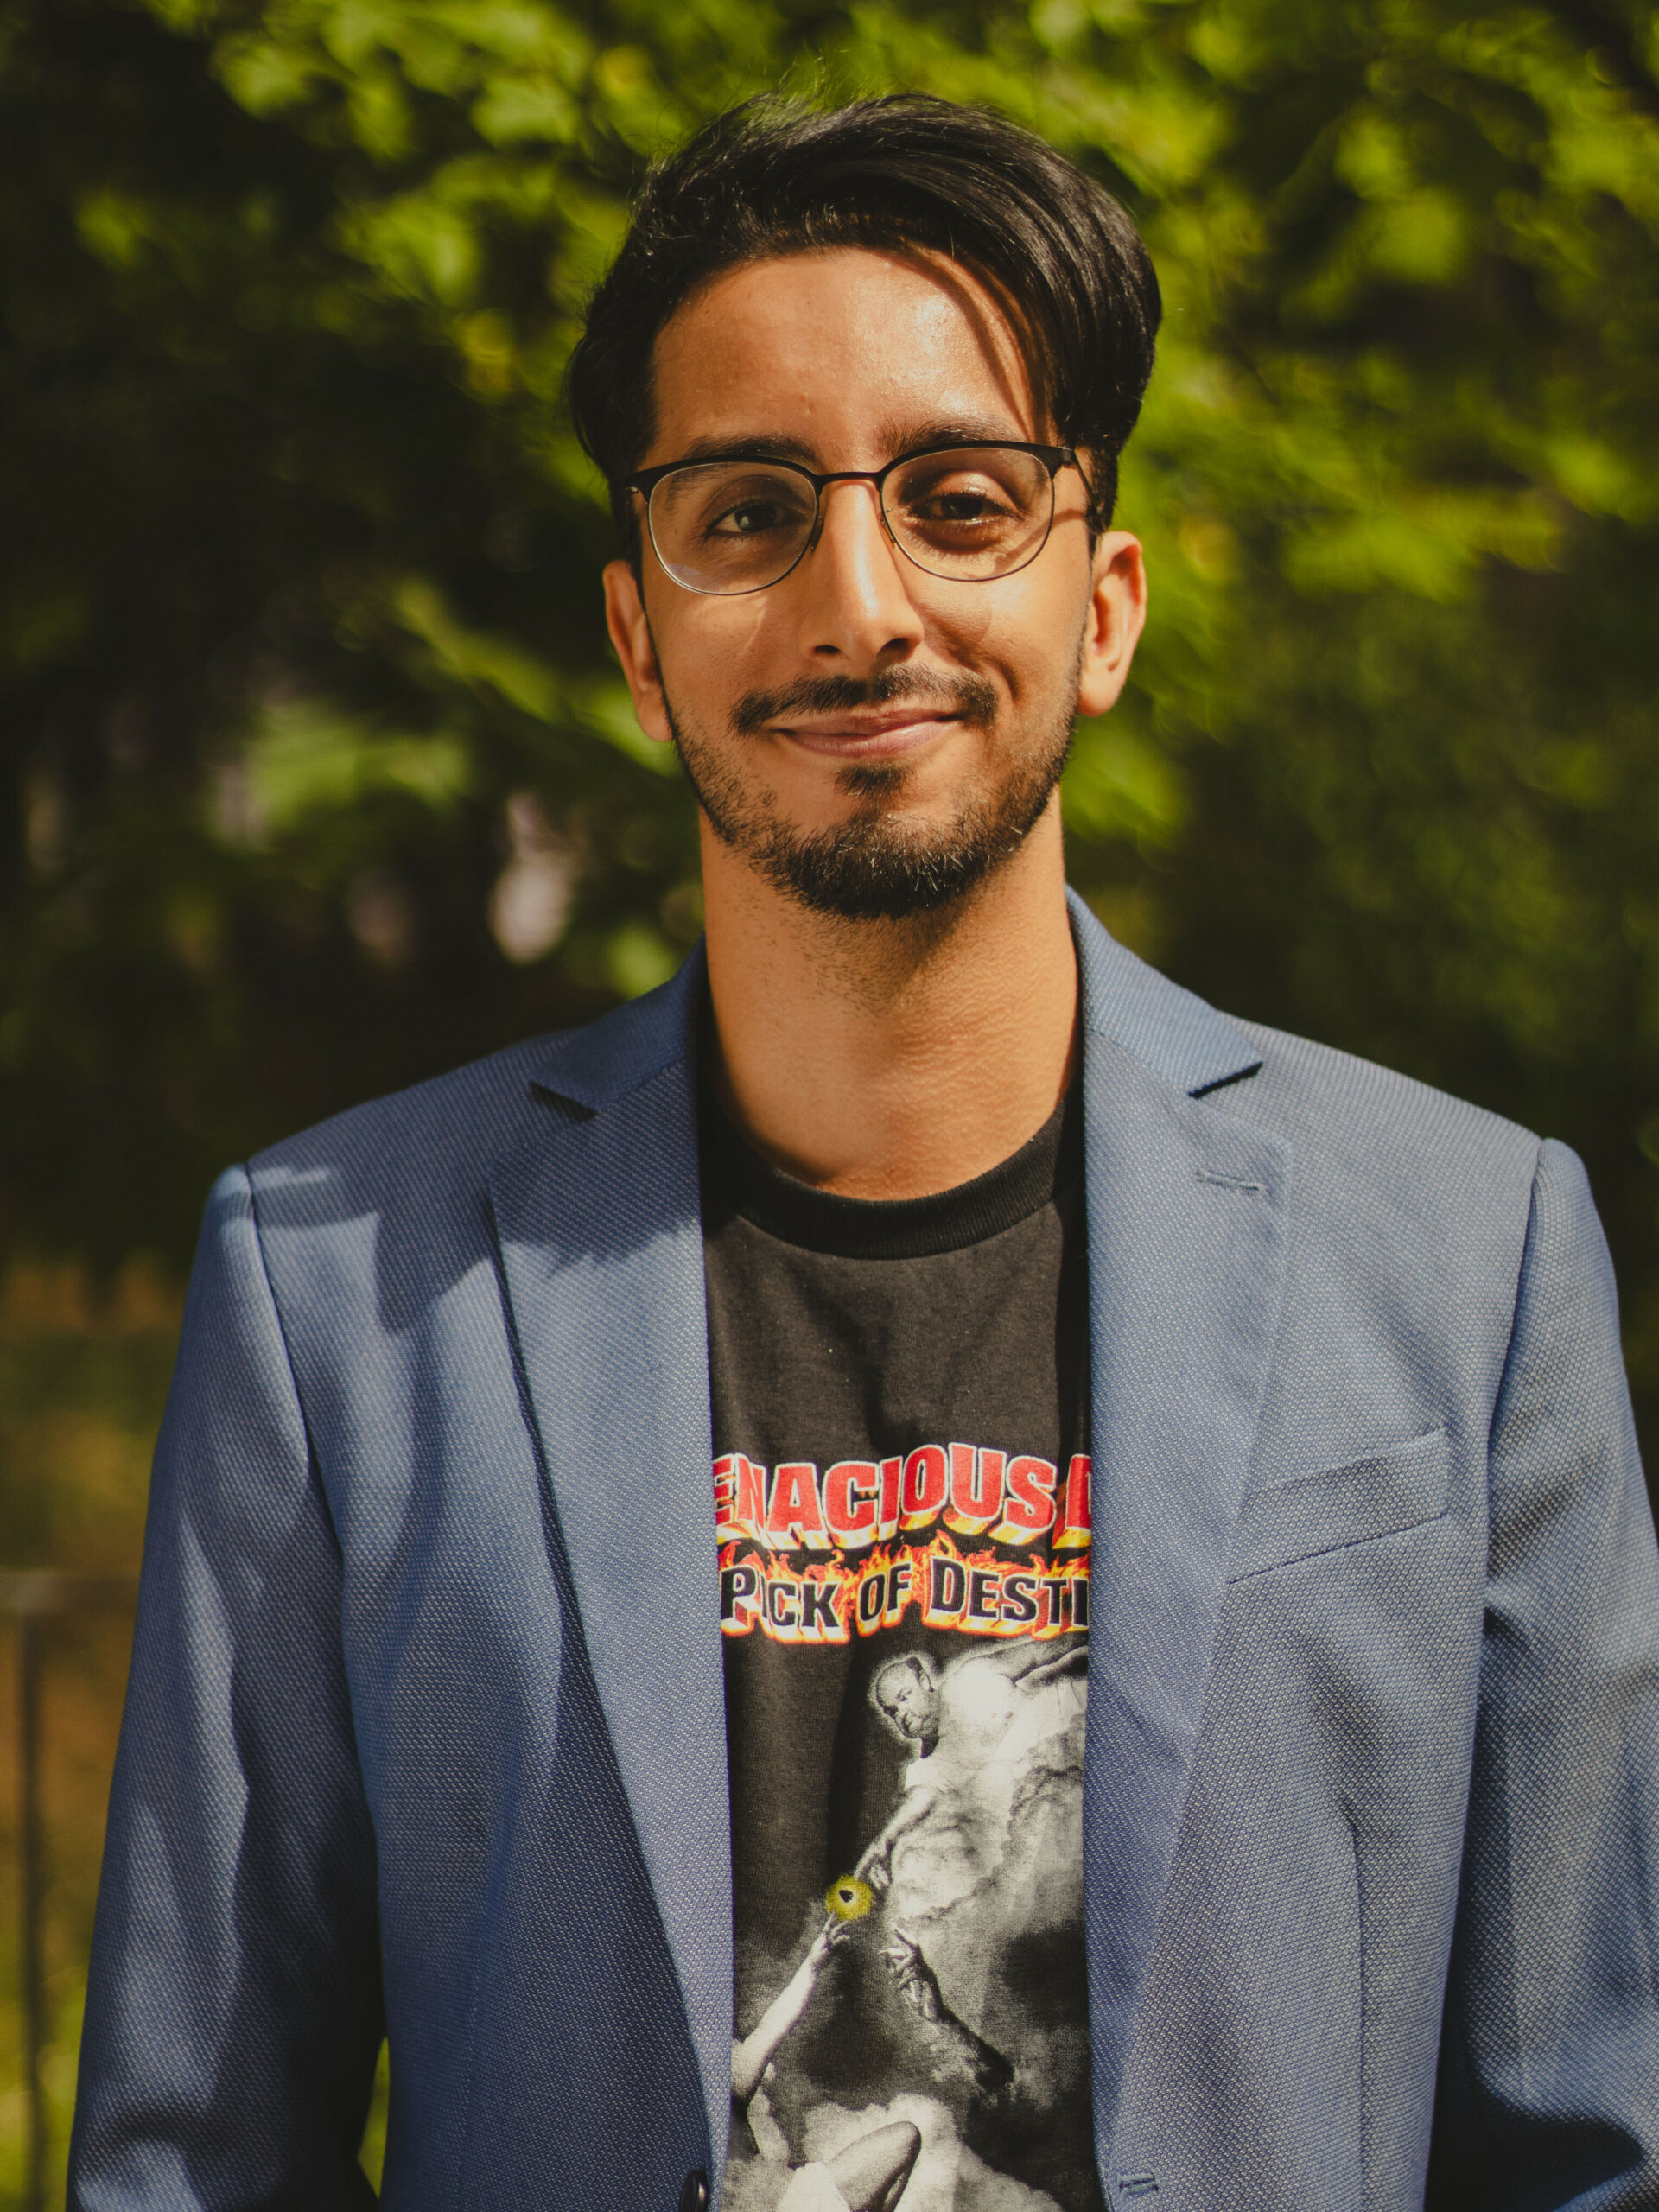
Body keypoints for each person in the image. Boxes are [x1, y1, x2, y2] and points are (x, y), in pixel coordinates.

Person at [68, 92, 1659, 2212]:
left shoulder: (1473, 1257)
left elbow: (1591, 2142)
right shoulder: (331, 1291)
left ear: (1101, 607)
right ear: (642, 634)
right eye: (747, 511)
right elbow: (197, 2157)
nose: (860, 597)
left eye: (959, 494)